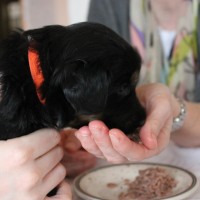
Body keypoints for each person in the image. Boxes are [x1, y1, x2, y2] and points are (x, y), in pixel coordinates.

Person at [74, 0, 200, 163]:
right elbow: (88, 94)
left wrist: (173, 110)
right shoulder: (108, 4)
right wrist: (78, 147)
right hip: (118, 169)